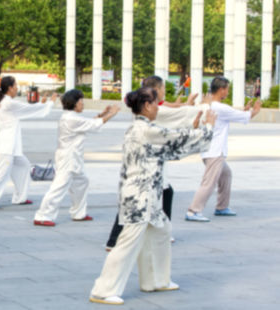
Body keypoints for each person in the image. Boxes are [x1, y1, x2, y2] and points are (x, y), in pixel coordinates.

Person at [89, 87, 216, 305]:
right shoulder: (144, 130)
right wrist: (207, 128)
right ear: (147, 106)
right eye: (156, 104)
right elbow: (172, 139)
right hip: (139, 196)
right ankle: (103, 290)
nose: (158, 108)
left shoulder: (142, 128)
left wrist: (195, 130)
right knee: (128, 242)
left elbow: (171, 146)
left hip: (148, 194)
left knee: (161, 231)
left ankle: (156, 280)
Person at [105, 75, 210, 249]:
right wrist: (205, 112)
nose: (162, 94)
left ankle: (147, 236)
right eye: (161, 89)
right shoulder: (148, 123)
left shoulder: (143, 119)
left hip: (147, 169)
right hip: (145, 172)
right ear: (149, 102)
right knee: (142, 203)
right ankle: (121, 239)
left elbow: (175, 113)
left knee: (151, 198)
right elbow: (177, 123)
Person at [33, 89, 120, 226]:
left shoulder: (71, 116)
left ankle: (78, 213)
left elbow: (87, 123)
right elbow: (92, 124)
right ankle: (43, 215)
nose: (83, 104)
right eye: (81, 101)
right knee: (59, 186)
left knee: (82, 182)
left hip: (73, 157)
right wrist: (111, 114)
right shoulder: (71, 118)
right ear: (74, 103)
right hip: (68, 158)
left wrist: (103, 114)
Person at [186, 76, 262, 222]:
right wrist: (255, 111)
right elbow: (243, 116)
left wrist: (244, 112)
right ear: (221, 90)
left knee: (226, 174)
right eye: (227, 89)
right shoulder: (219, 107)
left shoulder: (210, 106)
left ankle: (222, 207)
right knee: (209, 182)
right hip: (215, 151)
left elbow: (234, 114)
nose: (227, 91)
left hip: (210, 150)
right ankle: (193, 210)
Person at [0, 76, 58, 209]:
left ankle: (20, 197)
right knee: (1, 172)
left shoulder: (6, 101)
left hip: (11, 144)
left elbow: (28, 109)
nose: (17, 88)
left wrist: (42, 105)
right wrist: (50, 103)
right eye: (16, 86)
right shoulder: (9, 103)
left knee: (24, 166)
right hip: (6, 145)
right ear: (10, 88)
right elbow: (29, 109)